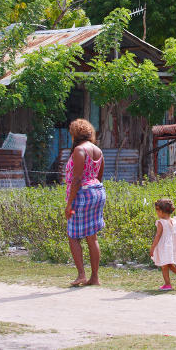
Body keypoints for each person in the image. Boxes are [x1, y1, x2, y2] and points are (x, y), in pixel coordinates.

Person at [64, 118, 106, 286]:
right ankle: (94, 277)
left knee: (73, 235)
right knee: (92, 237)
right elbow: (98, 176)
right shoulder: (98, 151)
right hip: (97, 192)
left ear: (75, 134)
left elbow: (77, 179)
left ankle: (81, 274)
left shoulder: (79, 151)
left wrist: (69, 205)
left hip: (82, 196)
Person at [150, 197, 176, 290]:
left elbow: (158, 236)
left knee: (164, 265)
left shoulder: (161, 223)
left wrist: (153, 248)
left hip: (164, 246)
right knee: (168, 264)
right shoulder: (174, 221)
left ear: (161, 211)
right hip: (172, 246)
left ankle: (167, 284)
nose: (157, 213)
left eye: (157, 211)